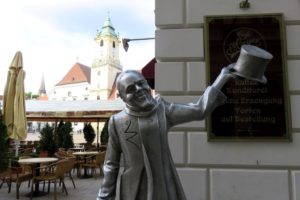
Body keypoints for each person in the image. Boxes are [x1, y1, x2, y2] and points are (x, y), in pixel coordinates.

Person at [97, 67, 234, 200]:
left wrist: (222, 77)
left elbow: (199, 110)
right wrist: (104, 196)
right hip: (133, 190)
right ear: (122, 97)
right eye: (131, 89)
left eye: (141, 84)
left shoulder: (163, 110)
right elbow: (111, 163)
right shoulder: (117, 122)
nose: (139, 90)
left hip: (163, 186)